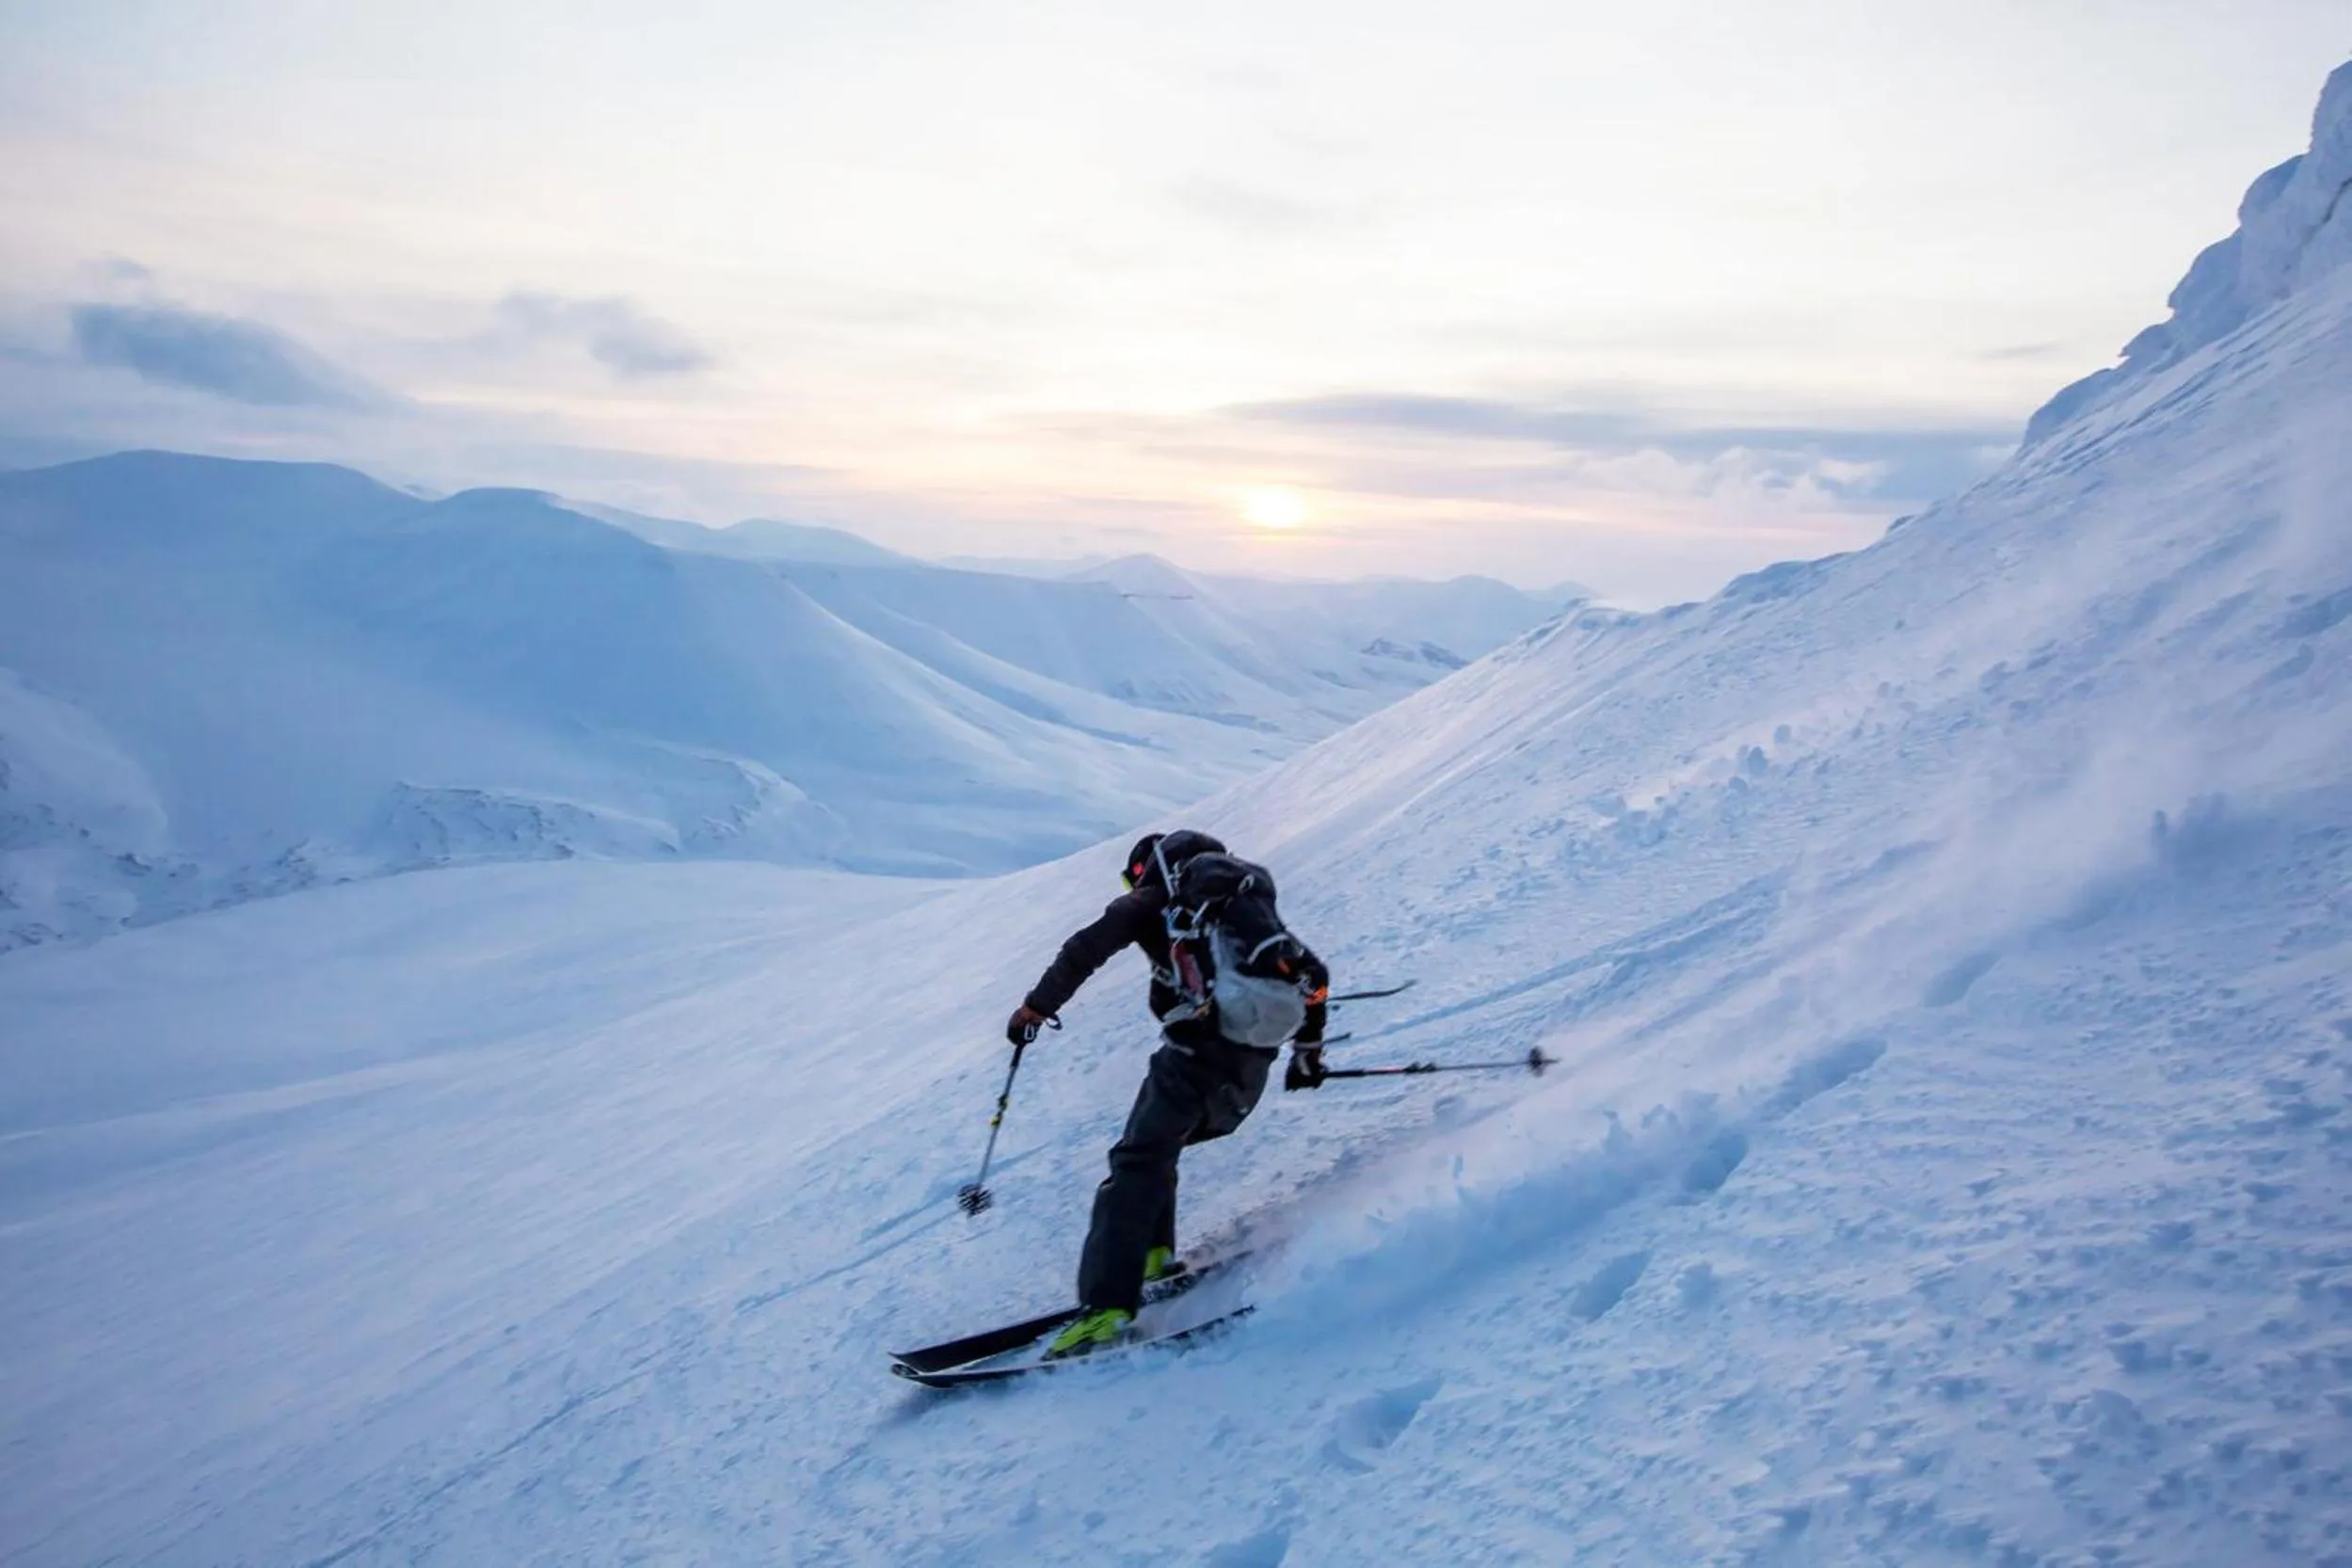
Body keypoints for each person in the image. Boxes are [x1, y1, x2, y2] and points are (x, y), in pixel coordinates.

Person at [1006, 828, 1328, 1357]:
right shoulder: (1239, 913)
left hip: (1193, 1055)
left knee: (1136, 1162)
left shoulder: (1156, 901)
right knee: (1156, 1148)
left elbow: (1084, 949)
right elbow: (1312, 977)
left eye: (1136, 876)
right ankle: (1154, 1254)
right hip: (1247, 1069)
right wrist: (1309, 1051)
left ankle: (1105, 1309)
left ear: (1150, 868)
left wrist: (1035, 1007)